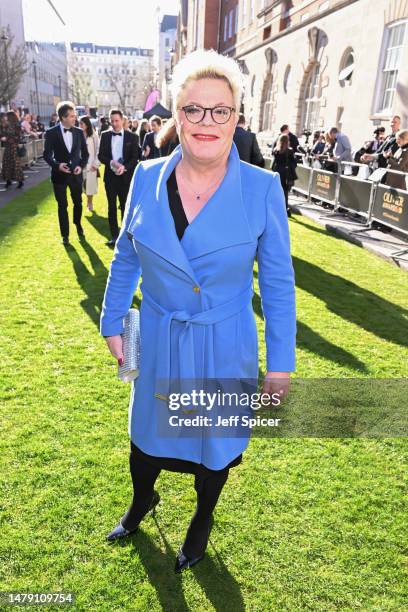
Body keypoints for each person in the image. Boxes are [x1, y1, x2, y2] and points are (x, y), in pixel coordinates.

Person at [100, 48, 296, 573]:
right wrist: (112, 317)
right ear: (175, 115)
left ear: (236, 118)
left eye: (220, 110)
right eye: (193, 109)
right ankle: (144, 499)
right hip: (160, 336)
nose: (206, 122)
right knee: (146, 440)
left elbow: (277, 282)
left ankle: (202, 516)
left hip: (223, 343)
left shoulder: (262, 188)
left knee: (214, 448)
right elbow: (125, 253)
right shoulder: (145, 177)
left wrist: (281, 364)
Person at [43, 101, 89, 246]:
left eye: (75, 116)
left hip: (76, 176)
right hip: (59, 177)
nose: (75, 118)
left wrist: (80, 167)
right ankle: (65, 235)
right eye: (71, 116)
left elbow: (86, 154)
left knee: (78, 203)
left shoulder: (79, 132)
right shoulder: (51, 133)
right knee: (62, 206)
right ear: (63, 118)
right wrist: (57, 166)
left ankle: (78, 224)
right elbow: (47, 155)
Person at [98, 108, 140, 246]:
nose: (114, 123)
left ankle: (125, 236)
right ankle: (114, 236)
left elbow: (135, 157)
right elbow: (101, 155)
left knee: (125, 207)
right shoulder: (104, 135)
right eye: (112, 121)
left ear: (122, 120)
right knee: (111, 207)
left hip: (125, 178)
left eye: (117, 120)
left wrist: (124, 167)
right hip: (110, 177)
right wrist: (110, 162)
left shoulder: (132, 137)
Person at [272, 134, 297, 216]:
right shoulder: (289, 151)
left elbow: (274, 163)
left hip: (277, 173)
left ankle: (276, 208)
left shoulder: (276, 150)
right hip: (286, 174)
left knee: (277, 191)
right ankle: (285, 209)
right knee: (285, 193)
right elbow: (294, 164)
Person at [79, 115, 100, 212]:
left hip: (91, 165)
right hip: (80, 165)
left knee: (90, 186)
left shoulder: (94, 136)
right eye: (79, 123)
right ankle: (84, 202)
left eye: (82, 123)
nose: (80, 125)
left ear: (87, 124)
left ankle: (90, 203)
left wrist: (96, 164)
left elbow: (98, 150)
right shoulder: (77, 135)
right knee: (81, 185)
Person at [0, 110, 25, 189]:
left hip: (14, 147)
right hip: (8, 147)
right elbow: (2, 134)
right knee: (6, 164)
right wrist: (2, 137)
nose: (5, 118)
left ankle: (20, 181)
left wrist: (6, 138)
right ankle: (8, 181)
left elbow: (18, 137)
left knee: (15, 165)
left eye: (7, 116)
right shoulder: (5, 125)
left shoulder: (16, 125)